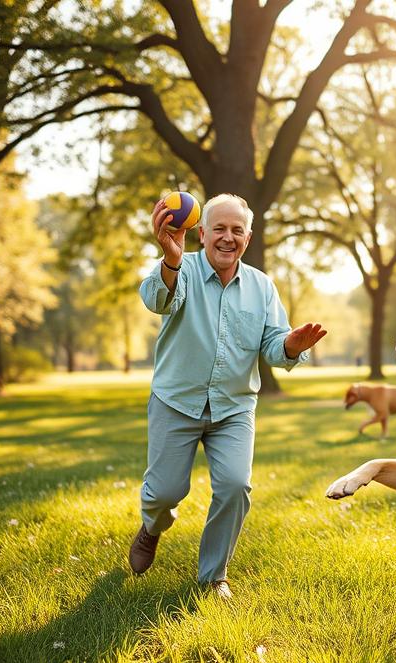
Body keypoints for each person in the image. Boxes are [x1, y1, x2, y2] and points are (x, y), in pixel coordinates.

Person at [129, 193, 327, 597]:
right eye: (219, 228)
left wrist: (291, 346)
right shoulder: (181, 268)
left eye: (237, 230)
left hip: (234, 408)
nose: (227, 237)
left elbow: (273, 346)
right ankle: (152, 527)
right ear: (201, 233)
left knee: (236, 486)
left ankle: (213, 576)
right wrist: (170, 259)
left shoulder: (262, 286)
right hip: (176, 401)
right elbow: (157, 299)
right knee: (165, 492)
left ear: (248, 238)